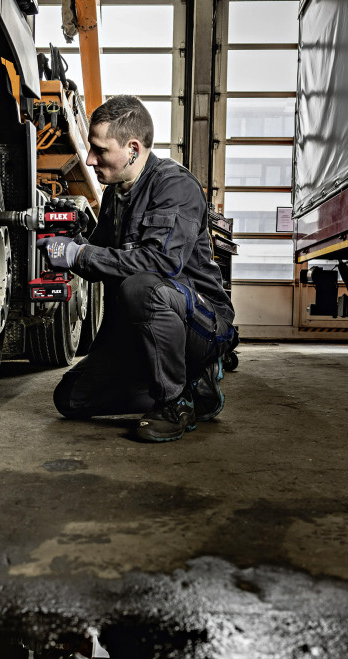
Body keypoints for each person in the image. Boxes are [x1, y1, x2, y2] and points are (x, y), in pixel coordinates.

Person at [37, 95, 236, 443]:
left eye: (100, 150)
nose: (90, 159)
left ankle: (175, 401)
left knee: (141, 288)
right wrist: (69, 240)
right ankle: (189, 387)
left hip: (202, 323)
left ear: (132, 148)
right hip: (140, 323)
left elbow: (161, 263)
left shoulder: (175, 186)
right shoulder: (115, 195)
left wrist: (78, 255)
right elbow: (100, 260)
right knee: (70, 398)